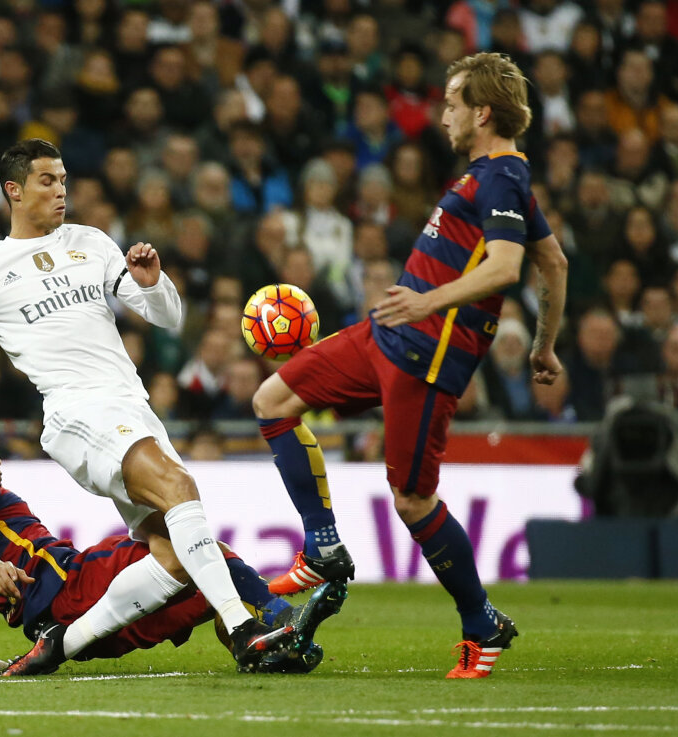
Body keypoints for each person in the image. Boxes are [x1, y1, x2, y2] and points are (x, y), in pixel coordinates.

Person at [0, 138, 294, 674]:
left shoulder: (92, 243)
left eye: (64, 180)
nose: (61, 191)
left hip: (131, 406)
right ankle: (244, 626)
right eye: (48, 181)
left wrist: (154, 282)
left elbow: (168, 318)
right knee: (182, 491)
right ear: (15, 191)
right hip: (78, 411)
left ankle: (62, 644)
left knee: (171, 549)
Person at [251, 52, 569, 679]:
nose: (443, 114)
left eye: (453, 103)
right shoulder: (490, 176)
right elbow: (553, 263)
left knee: (413, 500)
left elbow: (508, 268)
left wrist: (427, 301)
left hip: (427, 357)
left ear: (481, 111)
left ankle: (483, 625)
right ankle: (322, 545)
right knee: (273, 400)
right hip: (386, 336)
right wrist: (544, 345)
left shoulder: (502, 176)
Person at [0, 415, 344, 675]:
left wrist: (7, 668)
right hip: (76, 583)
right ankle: (281, 612)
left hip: (80, 635)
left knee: (213, 595)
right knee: (196, 549)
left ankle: (264, 650)